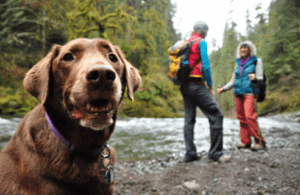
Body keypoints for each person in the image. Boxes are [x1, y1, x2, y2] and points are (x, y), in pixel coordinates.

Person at [180, 21, 231, 163]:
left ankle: (190, 154)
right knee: (217, 115)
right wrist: (210, 86)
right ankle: (216, 153)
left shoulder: (185, 42)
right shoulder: (201, 42)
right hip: (197, 84)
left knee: (189, 120)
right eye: (206, 31)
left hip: (185, 86)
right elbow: (206, 66)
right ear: (203, 31)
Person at [217, 41, 267, 151]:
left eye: (245, 48)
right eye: (241, 48)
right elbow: (232, 81)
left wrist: (255, 77)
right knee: (241, 118)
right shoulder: (238, 63)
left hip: (250, 92)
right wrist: (223, 88)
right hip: (238, 93)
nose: (243, 50)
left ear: (250, 50)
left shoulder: (256, 61)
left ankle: (259, 142)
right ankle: (245, 142)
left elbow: (260, 78)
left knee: (250, 117)